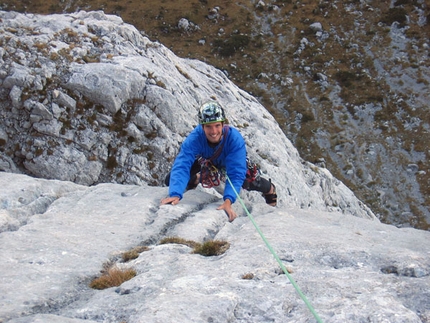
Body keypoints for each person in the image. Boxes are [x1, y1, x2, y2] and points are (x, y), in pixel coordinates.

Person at [160, 100, 277, 222]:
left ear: (223, 124)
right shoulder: (195, 138)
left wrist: (228, 200)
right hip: (206, 160)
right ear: (202, 127)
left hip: (228, 160)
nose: (214, 131)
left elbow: (236, 174)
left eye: (217, 126)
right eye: (208, 126)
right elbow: (182, 164)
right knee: (170, 180)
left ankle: (269, 189)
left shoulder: (234, 139)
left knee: (248, 183)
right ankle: (196, 179)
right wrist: (175, 193)